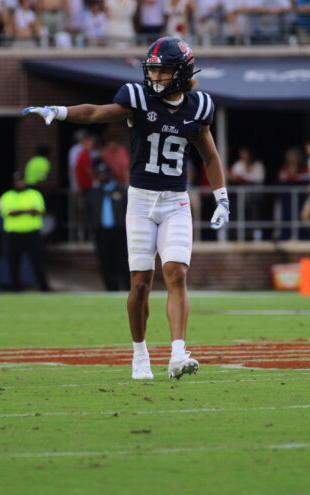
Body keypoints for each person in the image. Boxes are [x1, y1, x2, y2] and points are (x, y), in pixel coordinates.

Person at [22, 36, 229, 380]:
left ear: (180, 73)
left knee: (177, 273)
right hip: (141, 200)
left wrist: (221, 196)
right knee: (140, 284)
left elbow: (209, 154)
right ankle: (139, 353)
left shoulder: (199, 106)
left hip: (176, 201)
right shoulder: (138, 97)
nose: (155, 77)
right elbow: (97, 113)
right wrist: (59, 112)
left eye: (162, 71)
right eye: (153, 70)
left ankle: (178, 353)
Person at [0, 171, 51, 292]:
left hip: (32, 233)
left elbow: (38, 211)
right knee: (14, 262)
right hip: (13, 233)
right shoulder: (7, 196)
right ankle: (15, 287)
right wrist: (28, 211)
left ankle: (44, 287)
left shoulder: (35, 194)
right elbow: (9, 213)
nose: (20, 183)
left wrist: (19, 212)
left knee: (38, 261)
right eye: (17, 181)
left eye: (21, 180)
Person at [85, 162, 130, 291]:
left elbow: (129, 210)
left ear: (110, 174)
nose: (102, 176)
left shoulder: (122, 191)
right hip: (101, 232)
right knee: (105, 261)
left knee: (123, 261)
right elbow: (88, 212)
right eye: (99, 174)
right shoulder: (93, 192)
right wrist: (91, 228)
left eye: (105, 173)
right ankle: (111, 289)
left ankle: (128, 288)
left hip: (120, 232)